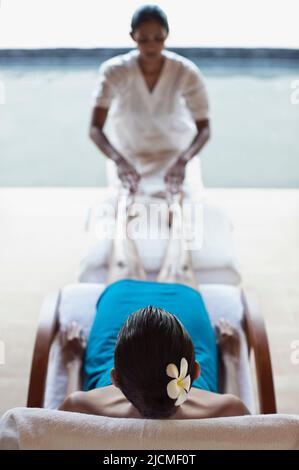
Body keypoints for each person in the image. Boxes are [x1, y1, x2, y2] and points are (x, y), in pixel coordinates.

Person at [59, 192, 249, 419]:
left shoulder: (79, 408)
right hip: (172, 339)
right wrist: (230, 359)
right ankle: (175, 218)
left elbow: (60, 425)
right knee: (178, 271)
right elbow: (243, 426)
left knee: (124, 268)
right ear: (195, 371)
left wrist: (73, 362)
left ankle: (125, 214)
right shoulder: (230, 411)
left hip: (130, 342)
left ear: (115, 379)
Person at [89, 4, 210, 198]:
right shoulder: (114, 72)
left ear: (167, 35)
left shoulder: (185, 72)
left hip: (175, 157)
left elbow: (204, 128)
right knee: (125, 212)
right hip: (129, 158)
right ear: (132, 37)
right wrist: (119, 161)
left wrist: (183, 161)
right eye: (143, 39)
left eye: (158, 38)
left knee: (185, 212)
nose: (151, 46)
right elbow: (95, 128)